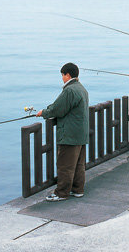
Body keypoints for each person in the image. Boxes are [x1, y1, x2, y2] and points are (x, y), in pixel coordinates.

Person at [36, 63, 89, 202]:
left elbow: (58, 109)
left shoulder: (70, 90)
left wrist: (44, 113)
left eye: (63, 75)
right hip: (80, 133)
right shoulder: (81, 88)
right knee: (78, 164)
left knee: (65, 165)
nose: (62, 78)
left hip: (69, 134)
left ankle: (61, 193)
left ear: (68, 75)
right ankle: (78, 190)